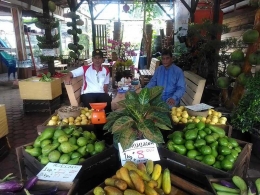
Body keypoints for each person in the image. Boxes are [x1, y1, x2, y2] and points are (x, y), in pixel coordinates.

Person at [64, 49, 112, 114]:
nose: (97, 60)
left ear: (102, 60)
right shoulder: (85, 68)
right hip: (88, 93)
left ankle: (104, 122)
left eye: (99, 58)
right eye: (95, 58)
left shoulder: (106, 70)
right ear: (92, 59)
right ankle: (94, 123)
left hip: (101, 93)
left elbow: (105, 85)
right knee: (90, 108)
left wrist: (106, 95)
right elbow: (71, 73)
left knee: (108, 103)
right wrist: (67, 76)